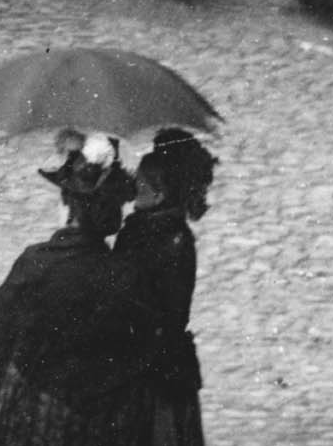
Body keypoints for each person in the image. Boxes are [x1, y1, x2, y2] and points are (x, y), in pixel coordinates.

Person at [0, 133, 152, 445]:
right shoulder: (123, 273)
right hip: (95, 422)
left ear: (69, 205)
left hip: (30, 410)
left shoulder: (38, 262)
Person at [122, 127, 215, 446]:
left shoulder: (166, 239)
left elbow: (165, 311)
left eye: (141, 185)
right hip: (152, 365)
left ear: (159, 193)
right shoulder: (151, 231)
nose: (134, 191)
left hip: (157, 372)